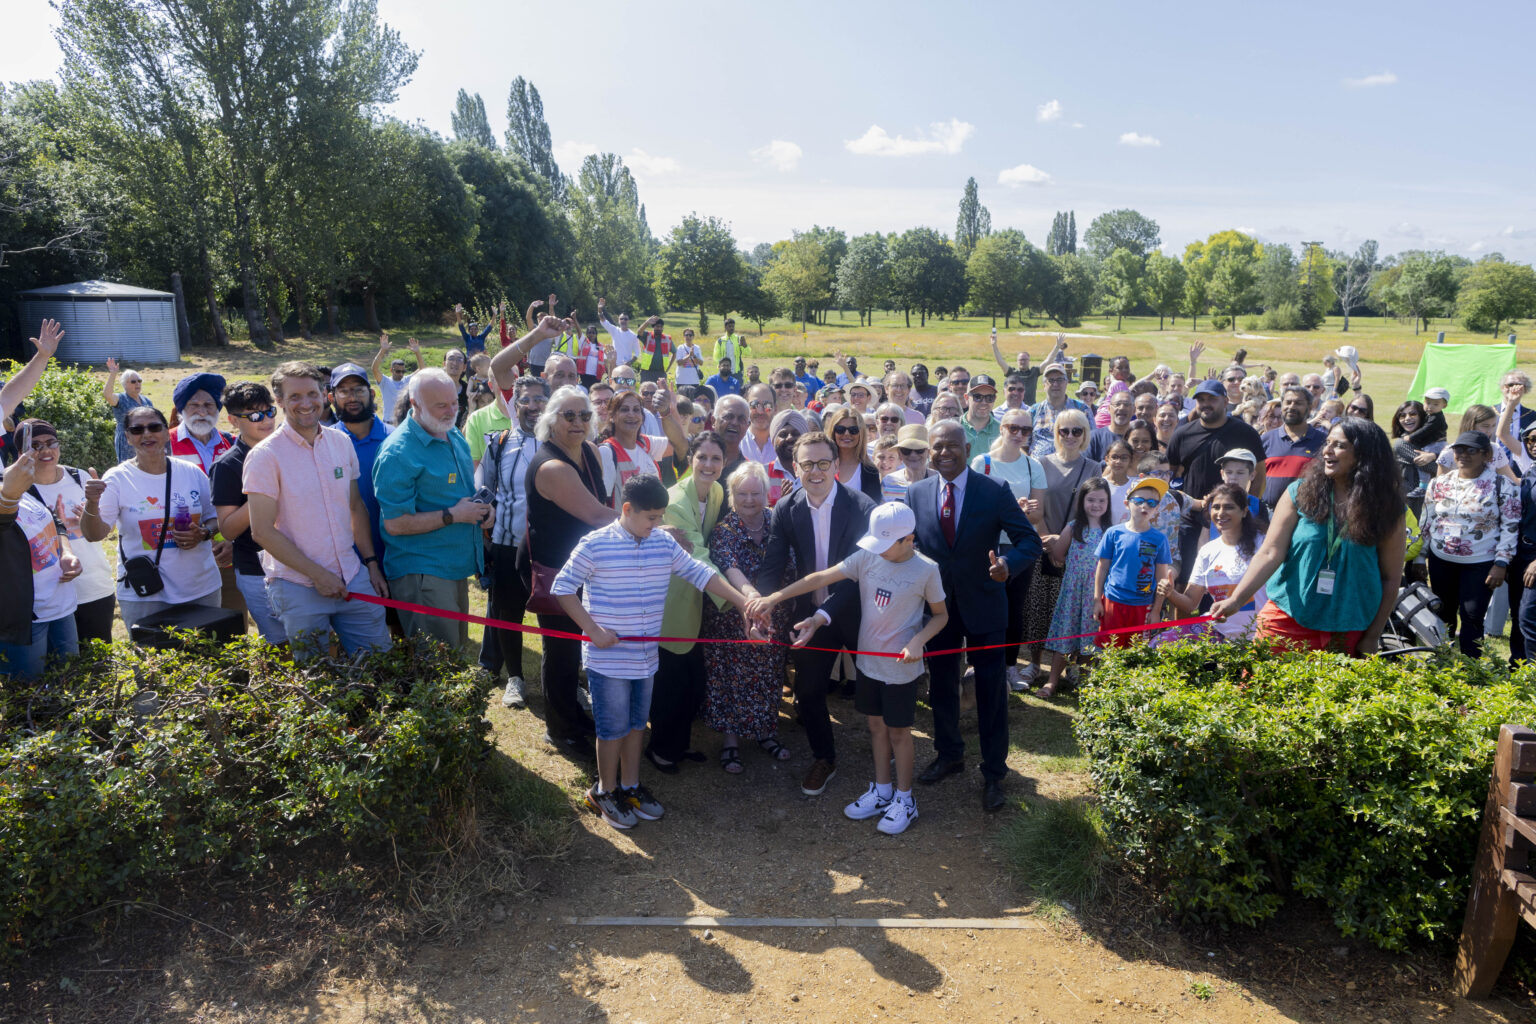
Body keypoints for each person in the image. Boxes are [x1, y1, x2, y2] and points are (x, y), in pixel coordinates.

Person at [553, 474, 751, 830]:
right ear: (628, 509)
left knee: (635, 726)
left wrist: (742, 604)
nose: (659, 524)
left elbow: (701, 574)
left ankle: (630, 785)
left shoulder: (662, 543)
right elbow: (562, 588)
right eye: (652, 518)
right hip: (609, 660)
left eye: (661, 517)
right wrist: (593, 630)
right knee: (612, 729)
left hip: (646, 658)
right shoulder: (595, 544)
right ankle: (605, 790)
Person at [751, 502, 946, 834]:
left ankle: (904, 799)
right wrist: (775, 597)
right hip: (869, 663)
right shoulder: (868, 557)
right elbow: (820, 577)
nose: (879, 550)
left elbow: (941, 615)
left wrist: (918, 642)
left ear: (908, 540)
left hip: (900, 668)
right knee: (875, 726)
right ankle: (882, 790)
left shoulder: (926, 569)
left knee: (899, 732)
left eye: (887, 544)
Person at [905, 420, 1039, 813]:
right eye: (937, 447)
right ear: (929, 450)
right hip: (939, 611)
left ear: (967, 447)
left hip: (985, 606)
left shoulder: (994, 490)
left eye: (952, 446)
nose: (944, 452)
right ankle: (949, 754)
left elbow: (1029, 540)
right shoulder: (916, 493)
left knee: (991, 692)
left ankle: (994, 773)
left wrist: (1008, 565)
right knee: (942, 685)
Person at [1210, 418, 1407, 655]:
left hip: (1350, 625)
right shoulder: (1301, 492)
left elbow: (1390, 578)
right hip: (1287, 617)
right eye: (1327, 443)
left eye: (1340, 445)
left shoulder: (1386, 508)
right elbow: (1270, 552)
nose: (1327, 451)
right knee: (1256, 687)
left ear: (1365, 454)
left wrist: (1373, 636)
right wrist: (1236, 600)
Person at [237, 363, 391, 659]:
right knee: (317, 679)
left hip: (351, 576)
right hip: (298, 585)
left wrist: (370, 563)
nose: (306, 403)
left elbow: (355, 507)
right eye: (294, 397)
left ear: (325, 394)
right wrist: (318, 575)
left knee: (380, 663)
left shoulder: (340, 442)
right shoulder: (264, 457)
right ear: (279, 402)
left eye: (312, 393)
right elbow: (262, 531)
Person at [755, 431, 877, 796]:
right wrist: (761, 607)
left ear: (837, 465)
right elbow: (772, 567)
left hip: (858, 610)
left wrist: (824, 614)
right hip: (810, 617)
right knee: (807, 693)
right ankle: (824, 757)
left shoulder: (862, 507)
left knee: (873, 688)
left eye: (824, 463)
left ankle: (885, 748)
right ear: (796, 467)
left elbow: (858, 575)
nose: (816, 471)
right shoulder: (786, 508)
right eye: (807, 464)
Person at [373, 368, 491, 653]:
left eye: (454, 402)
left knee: (454, 654)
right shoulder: (397, 453)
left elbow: (461, 493)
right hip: (422, 573)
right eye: (441, 405)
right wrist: (453, 515)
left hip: (452, 567)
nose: (451, 410)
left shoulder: (450, 432)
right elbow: (396, 524)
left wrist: (483, 510)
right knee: (439, 666)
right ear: (415, 405)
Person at [525, 386, 611, 754]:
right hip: (555, 571)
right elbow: (596, 515)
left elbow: (603, 503)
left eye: (585, 415)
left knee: (576, 646)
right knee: (560, 650)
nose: (578, 423)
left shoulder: (590, 451)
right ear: (551, 420)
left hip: (584, 565)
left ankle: (575, 715)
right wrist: (652, 523)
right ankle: (560, 729)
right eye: (569, 416)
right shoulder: (552, 466)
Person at [81, 405, 222, 629]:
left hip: (199, 587)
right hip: (145, 593)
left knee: (203, 658)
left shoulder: (192, 473)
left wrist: (204, 533)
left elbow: (215, 518)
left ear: (167, 432)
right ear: (127, 437)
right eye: (137, 430)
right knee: (149, 661)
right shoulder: (117, 479)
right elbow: (93, 534)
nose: (147, 434)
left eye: (154, 427)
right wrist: (92, 502)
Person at [703, 461, 796, 773]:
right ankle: (731, 741)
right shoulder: (723, 531)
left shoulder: (777, 522)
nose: (749, 500)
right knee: (731, 677)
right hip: (734, 616)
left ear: (765, 493)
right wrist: (752, 598)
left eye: (755, 493)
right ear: (732, 495)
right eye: (742, 493)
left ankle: (766, 733)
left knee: (769, 674)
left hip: (774, 615)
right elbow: (730, 568)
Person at [650, 434, 729, 773]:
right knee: (670, 682)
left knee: (691, 682)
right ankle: (660, 750)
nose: (709, 465)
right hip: (670, 603)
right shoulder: (675, 501)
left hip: (696, 601)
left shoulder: (717, 492)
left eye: (716, 459)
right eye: (703, 458)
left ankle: (680, 745)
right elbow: (698, 554)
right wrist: (741, 599)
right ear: (690, 459)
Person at [475, 376, 548, 708]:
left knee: (558, 617)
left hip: (550, 549)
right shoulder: (499, 442)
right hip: (506, 544)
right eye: (526, 400)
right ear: (513, 405)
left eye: (540, 399)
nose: (534, 406)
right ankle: (515, 678)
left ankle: (564, 680)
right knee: (507, 614)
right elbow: (484, 490)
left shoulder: (561, 443)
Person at [1018, 410, 1101, 687]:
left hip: (1078, 548)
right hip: (1041, 543)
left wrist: (1064, 542)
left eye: (1076, 431)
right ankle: (1034, 663)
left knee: (1073, 610)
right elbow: (1034, 505)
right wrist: (1048, 539)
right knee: (1040, 606)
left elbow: (1093, 507)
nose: (1070, 436)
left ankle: (1073, 665)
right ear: (1056, 433)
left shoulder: (1092, 467)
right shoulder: (1040, 463)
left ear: (1085, 434)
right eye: (1064, 430)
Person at [1420, 431, 1518, 659]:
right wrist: (1419, 557)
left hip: (1480, 562)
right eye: (1459, 450)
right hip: (1441, 559)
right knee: (1442, 614)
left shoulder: (1501, 484)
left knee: (1472, 615)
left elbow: (1511, 525)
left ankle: (1471, 669)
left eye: (1471, 450)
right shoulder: (1439, 483)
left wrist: (1501, 562)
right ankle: (1441, 662)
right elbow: (1427, 520)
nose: (1463, 455)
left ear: (1486, 455)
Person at [18, 420, 113, 646]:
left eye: (51, 442)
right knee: (61, 672)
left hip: (94, 587)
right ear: (22, 452)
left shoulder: (79, 477)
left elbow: (102, 530)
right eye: (36, 445)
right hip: (50, 599)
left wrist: (90, 510)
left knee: (100, 668)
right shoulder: (17, 491)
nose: (46, 450)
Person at [209, 383, 286, 644]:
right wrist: (262, 491)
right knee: (281, 647)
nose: (265, 420)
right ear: (233, 421)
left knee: (317, 641)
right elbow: (228, 529)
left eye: (269, 412)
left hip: (302, 563)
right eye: (254, 415)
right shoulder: (227, 465)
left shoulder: (290, 450)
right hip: (257, 571)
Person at [974, 408, 1045, 689]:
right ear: (1002, 428)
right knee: (984, 606)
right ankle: (978, 665)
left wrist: (1025, 513)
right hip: (988, 546)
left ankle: (1010, 667)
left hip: (1019, 548)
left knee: (1014, 609)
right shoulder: (983, 462)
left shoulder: (1033, 466)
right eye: (1013, 428)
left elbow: (1037, 518)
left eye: (1025, 430)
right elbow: (974, 510)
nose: (1019, 434)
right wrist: (1009, 510)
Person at [0, 447, 81, 679]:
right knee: (29, 701)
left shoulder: (15, 479)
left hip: (59, 605)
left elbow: (54, 521)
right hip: (23, 620)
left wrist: (66, 552)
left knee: (70, 684)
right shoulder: (12, 485)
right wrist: (9, 495)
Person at [1157, 482, 1267, 642]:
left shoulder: (1264, 544)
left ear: (1244, 511)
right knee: (1160, 643)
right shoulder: (1207, 551)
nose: (1221, 513)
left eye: (1229, 507)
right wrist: (1170, 593)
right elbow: (1190, 604)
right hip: (1218, 631)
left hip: (1258, 634)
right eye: (1216, 507)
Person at [1041, 477, 1111, 697]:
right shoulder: (1073, 527)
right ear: (1082, 501)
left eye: (1101, 500)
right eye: (1091, 500)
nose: (1096, 505)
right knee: (1065, 634)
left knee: (1090, 637)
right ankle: (1052, 681)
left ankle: (1083, 679)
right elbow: (1058, 554)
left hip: (1096, 594)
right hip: (1073, 592)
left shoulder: (1111, 531)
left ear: (1108, 503)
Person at [1092, 476, 1172, 649]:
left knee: (1136, 653)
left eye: (1151, 502)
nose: (1145, 506)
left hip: (1143, 606)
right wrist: (1097, 600)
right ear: (1127, 503)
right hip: (1113, 601)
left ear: (1157, 508)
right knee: (1110, 651)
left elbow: (1162, 579)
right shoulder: (1113, 533)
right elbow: (1102, 567)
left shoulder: (1159, 539)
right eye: (1139, 500)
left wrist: (1157, 610)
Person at [1167, 379, 1266, 516]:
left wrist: (1248, 508)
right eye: (1201, 400)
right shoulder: (1181, 435)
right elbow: (1168, 475)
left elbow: (1260, 476)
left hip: (1232, 518)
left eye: (1212, 399)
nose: (1205, 404)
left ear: (1226, 401)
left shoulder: (1246, 433)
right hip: (1190, 516)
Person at [595, 386, 689, 508]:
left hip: (653, 523)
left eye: (636, 410)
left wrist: (666, 412)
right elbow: (602, 505)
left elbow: (679, 443)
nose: (631, 414)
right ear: (612, 417)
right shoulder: (606, 452)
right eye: (624, 410)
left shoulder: (645, 443)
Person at [1260, 386, 1326, 510]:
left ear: (1310, 407)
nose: (1291, 407)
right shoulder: (1266, 439)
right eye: (1288, 402)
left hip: (1306, 515)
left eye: (1298, 403)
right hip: (1267, 514)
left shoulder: (1323, 442)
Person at [168, 372, 234, 475]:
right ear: (182, 409)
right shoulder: (165, 443)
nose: (202, 413)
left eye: (208, 405)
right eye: (194, 405)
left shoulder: (231, 442)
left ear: (217, 408)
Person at [1436, 404, 1518, 483]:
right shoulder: (1449, 452)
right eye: (1485, 426)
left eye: (1493, 426)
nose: (1490, 431)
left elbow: (1511, 481)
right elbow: (1440, 486)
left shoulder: (1495, 449)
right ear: (1470, 425)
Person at [824, 404, 884, 505]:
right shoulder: (822, 465)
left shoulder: (869, 471)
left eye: (853, 430)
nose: (847, 434)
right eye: (840, 429)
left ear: (861, 433)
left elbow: (872, 508)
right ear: (833, 432)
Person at [1028, 363, 1090, 458]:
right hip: (1039, 468)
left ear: (1066, 382)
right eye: (1051, 380)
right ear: (1044, 385)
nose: (1055, 384)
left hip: (1073, 467)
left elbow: (1091, 441)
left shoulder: (1082, 409)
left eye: (1060, 380)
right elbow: (1023, 444)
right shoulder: (1034, 411)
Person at [103, 357, 154, 464]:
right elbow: (107, 395)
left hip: (146, 439)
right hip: (127, 442)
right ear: (125, 384)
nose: (137, 384)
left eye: (139, 381)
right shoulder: (120, 399)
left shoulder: (147, 400)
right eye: (133, 381)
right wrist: (113, 374)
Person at [370, 334, 421, 427]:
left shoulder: (407, 380)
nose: (401, 374)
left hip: (404, 424)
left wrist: (417, 353)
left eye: (403, 371)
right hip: (388, 424)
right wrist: (383, 350)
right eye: (398, 371)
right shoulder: (385, 381)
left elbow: (422, 370)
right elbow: (374, 369)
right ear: (391, 370)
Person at [882, 424, 931, 503]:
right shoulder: (889, 482)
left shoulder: (939, 480)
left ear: (928, 452)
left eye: (919, 450)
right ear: (899, 454)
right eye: (906, 450)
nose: (913, 455)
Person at [738, 383, 779, 466]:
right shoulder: (736, 443)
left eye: (767, 405)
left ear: (775, 409)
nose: (760, 411)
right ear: (746, 407)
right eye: (754, 405)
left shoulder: (784, 444)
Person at [960, 374, 1001, 454]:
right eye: (977, 397)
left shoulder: (1003, 431)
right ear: (966, 398)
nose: (984, 402)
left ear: (995, 399)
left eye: (989, 397)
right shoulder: (954, 427)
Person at [636, 318, 672, 384]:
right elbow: (639, 331)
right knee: (646, 392)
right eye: (657, 326)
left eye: (661, 327)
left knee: (661, 393)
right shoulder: (647, 336)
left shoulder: (667, 339)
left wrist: (669, 366)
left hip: (661, 372)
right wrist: (647, 322)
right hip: (647, 372)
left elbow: (674, 352)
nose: (659, 328)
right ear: (653, 327)